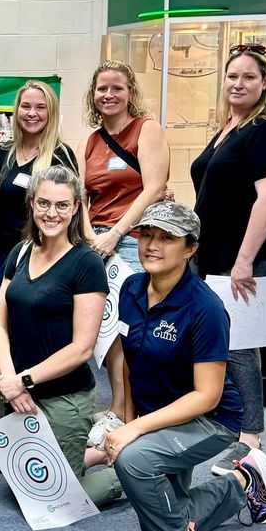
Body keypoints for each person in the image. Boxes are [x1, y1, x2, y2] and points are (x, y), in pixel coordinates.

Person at [105, 201, 266, 531]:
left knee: (134, 462)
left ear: (190, 248)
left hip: (209, 418)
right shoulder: (131, 288)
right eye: (147, 234)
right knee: (159, 516)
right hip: (160, 412)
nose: (152, 245)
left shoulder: (205, 308)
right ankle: (243, 484)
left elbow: (207, 396)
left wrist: (136, 431)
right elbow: (130, 362)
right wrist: (127, 418)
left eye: (167, 238)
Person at [0, 165, 122, 508]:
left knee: (54, 498)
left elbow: (82, 349)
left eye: (62, 205)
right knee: (23, 484)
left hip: (64, 396)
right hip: (16, 390)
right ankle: (87, 454)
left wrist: (25, 381)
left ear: (76, 207)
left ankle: (130, 469)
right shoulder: (19, 253)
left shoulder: (85, 264)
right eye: (44, 203)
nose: (52, 213)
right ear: (32, 203)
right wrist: (10, 379)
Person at [190, 45, 266, 475]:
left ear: (265, 83)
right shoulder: (229, 126)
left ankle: (251, 436)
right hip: (214, 251)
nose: (238, 84)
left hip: (248, 255)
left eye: (248, 77)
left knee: (239, 345)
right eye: (232, 76)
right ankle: (226, 417)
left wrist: (244, 259)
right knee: (217, 339)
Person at [79, 61, 170, 445]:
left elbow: (153, 188)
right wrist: (89, 240)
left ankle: (126, 409)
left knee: (129, 329)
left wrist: (116, 234)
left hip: (133, 241)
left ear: (130, 91)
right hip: (96, 243)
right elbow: (83, 197)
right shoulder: (92, 140)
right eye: (102, 88)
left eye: (117, 87)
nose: (109, 95)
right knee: (105, 330)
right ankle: (119, 405)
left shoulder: (146, 130)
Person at [0, 81, 78, 295]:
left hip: (40, 254)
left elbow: (75, 207)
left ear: (51, 113)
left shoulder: (60, 155)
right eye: (26, 106)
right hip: (4, 254)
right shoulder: (5, 152)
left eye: (40, 107)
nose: (32, 113)